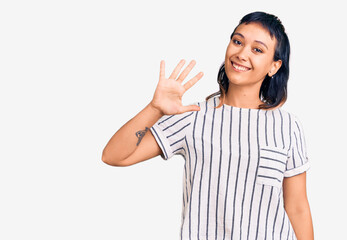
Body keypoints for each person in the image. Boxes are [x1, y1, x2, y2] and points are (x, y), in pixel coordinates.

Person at [102, 11, 314, 240]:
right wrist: (154, 109)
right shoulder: (193, 116)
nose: (241, 53)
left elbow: (297, 208)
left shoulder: (287, 125)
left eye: (257, 49)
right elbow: (113, 156)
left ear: (274, 66)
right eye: (237, 41)